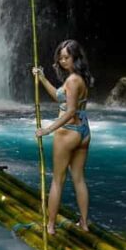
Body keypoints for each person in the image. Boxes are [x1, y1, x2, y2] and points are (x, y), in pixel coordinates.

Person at [31, 39, 95, 235]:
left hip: (68, 131)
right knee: (79, 179)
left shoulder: (72, 80)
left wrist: (47, 130)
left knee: (58, 180)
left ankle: (50, 226)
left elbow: (69, 111)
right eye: (60, 58)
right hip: (84, 131)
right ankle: (84, 223)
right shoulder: (81, 79)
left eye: (66, 57)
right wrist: (42, 78)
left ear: (75, 57)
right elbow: (62, 98)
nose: (62, 61)